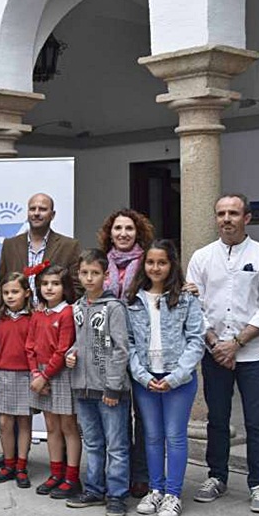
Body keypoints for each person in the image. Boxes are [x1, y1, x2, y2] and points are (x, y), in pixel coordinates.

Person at [187, 193, 259, 513]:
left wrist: (236, 343)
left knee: (256, 421)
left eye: (233, 213)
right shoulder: (201, 257)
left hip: (253, 354)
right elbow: (193, 308)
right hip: (215, 354)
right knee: (217, 420)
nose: (226, 219)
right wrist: (216, 343)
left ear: (247, 218)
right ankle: (217, 476)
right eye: (221, 213)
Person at [126, 240, 205, 516]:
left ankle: (173, 493)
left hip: (178, 380)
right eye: (150, 262)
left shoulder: (186, 299)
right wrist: (143, 376)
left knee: (175, 436)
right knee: (152, 436)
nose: (156, 268)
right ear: (143, 265)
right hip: (146, 379)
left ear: (171, 265)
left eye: (162, 262)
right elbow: (129, 343)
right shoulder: (134, 299)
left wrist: (176, 376)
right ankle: (155, 488)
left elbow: (196, 341)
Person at [64, 249, 132, 516]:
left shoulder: (114, 308)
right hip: (83, 386)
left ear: (106, 276)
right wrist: (71, 353)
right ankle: (94, 488)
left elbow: (121, 349)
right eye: (84, 273)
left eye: (95, 273)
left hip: (109, 389)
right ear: (78, 275)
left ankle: (117, 495)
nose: (89, 278)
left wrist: (113, 386)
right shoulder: (78, 307)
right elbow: (81, 342)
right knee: (92, 441)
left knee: (116, 444)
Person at [97, 207, 155, 498]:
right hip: (108, 349)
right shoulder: (101, 263)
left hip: (142, 348)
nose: (122, 234)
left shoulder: (148, 263)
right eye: (117, 228)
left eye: (129, 229)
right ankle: (115, 473)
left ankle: (141, 474)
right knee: (114, 415)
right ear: (110, 233)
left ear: (138, 233)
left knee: (143, 417)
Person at [28, 263, 81, 499]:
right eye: (45, 284)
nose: (49, 288)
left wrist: (46, 376)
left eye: (55, 284)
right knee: (51, 426)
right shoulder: (38, 313)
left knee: (68, 426)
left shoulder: (67, 312)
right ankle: (56, 472)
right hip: (41, 374)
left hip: (59, 375)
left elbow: (62, 350)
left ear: (64, 287)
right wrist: (35, 374)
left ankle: (72, 476)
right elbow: (29, 346)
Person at [0, 272, 34, 488]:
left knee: (24, 421)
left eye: (15, 292)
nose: (10, 296)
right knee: (5, 422)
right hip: (3, 374)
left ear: (26, 293)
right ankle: (8, 463)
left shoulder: (33, 318)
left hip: (25, 375)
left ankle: (22, 465)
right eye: (6, 292)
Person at [0, 193, 81, 305]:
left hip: (52, 318)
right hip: (17, 318)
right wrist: (2, 311)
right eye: (32, 209)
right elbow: (0, 284)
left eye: (42, 209)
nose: (36, 213)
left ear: (52, 215)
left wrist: (57, 311)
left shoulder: (69, 246)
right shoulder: (10, 244)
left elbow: (76, 287)